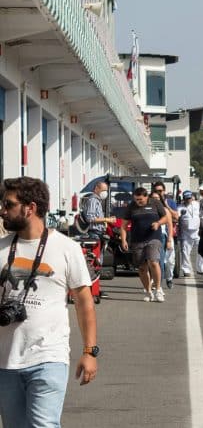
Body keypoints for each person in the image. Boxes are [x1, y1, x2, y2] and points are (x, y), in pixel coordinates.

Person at [0, 177, 98, 427]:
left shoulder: (67, 248)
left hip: (48, 357)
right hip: (5, 360)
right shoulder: (0, 249)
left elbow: (84, 301)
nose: (2, 211)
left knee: (43, 424)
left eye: (8, 204)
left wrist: (89, 352)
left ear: (29, 208)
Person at [120, 187, 168, 302]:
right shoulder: (131, 206)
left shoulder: (155, 203)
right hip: (137, 240)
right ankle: (148, 291)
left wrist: (158, 223)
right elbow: (123, 225)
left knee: (153, 262)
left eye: (140, 199)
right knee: (142, 268)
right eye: (136, 199)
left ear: (146, 197)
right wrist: (124, 240)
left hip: (153, 238)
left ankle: (158, 289)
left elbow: (166, 217)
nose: (138, 202)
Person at [150, 188, 175, 289]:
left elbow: (170, 226)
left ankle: (159, 284)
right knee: (151, 261)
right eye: (153, 198)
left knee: (161, 261)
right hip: (149, 236)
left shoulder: (164, 210)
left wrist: (169, 240)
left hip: (161, 236)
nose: (155, 199)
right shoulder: (147, 209)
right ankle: (153, 282)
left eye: (157, 198)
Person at [177, 190, 201, 278]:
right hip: (186, 233)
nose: (188, 200)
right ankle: (186, 270)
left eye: (189, 198)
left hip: (197, 231)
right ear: (183, 199)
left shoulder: (197, 204)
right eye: (186, 199)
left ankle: (201, 268)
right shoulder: (180, 207)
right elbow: (177, 217)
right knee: (185, 252)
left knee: (202, 251)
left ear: (192, 197)